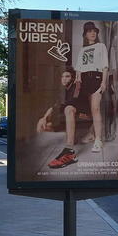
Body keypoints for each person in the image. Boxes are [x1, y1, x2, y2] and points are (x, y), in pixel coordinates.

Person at [48, 22, 108, 168]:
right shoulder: (82, 50)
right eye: (89, 31)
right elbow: (79, 69)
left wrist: (104, 82)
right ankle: (69, 147)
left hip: (96, 78)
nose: (92, 33)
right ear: (85, 34)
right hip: (83, 82)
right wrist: (78, 80)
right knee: (69, 108)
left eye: (94, 31)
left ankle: (98, 140)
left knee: (95, 109)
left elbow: (105, 66)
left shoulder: (101, 46)